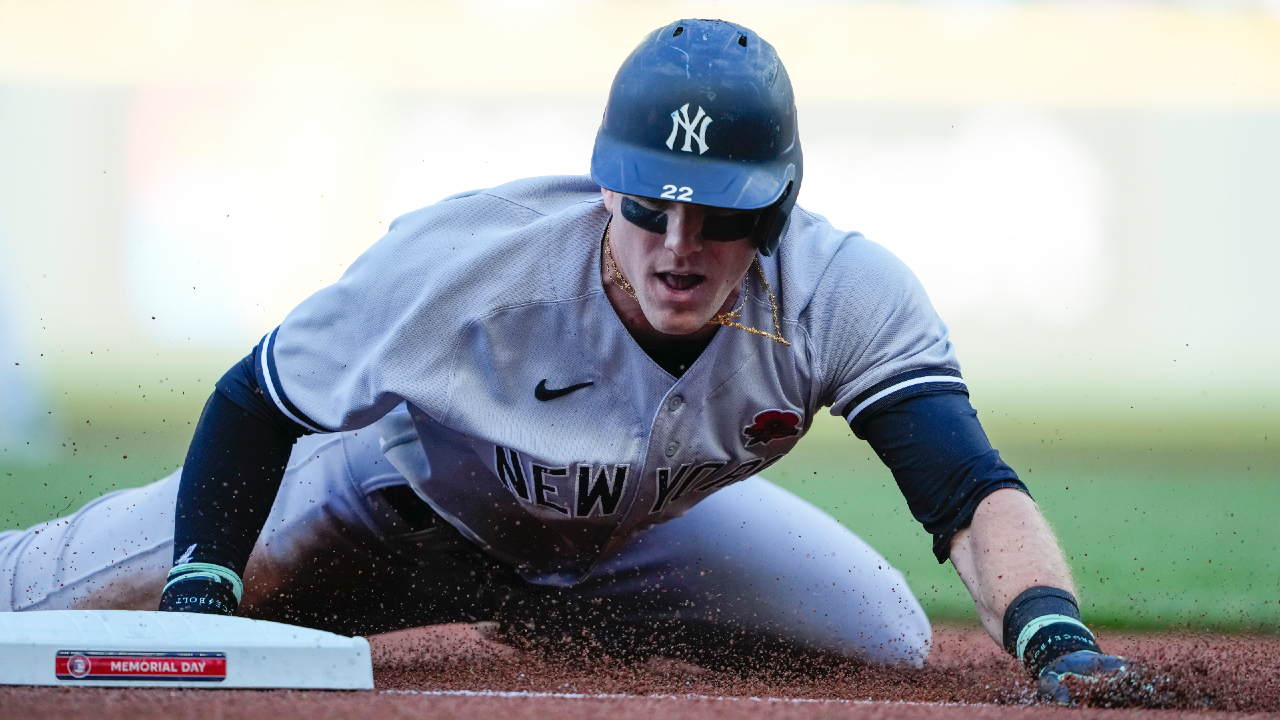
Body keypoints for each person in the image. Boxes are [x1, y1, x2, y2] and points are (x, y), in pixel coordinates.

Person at [1, 19, 1141, 704]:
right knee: (50, 594)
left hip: (627, 546)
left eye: (722, 214)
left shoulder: (842, 291)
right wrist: (207, 588)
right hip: (379, 504)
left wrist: (1054, 631)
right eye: (651, 205)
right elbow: (258, 400)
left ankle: (542, 619)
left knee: (883, 636)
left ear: (781, 205)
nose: (680, 245)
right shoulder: (468, 258)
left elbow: (962, 485)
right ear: (605, 182)